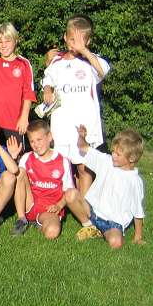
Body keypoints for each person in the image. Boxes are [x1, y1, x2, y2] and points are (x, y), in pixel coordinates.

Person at [41, 15, 110, 194]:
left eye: (81, 41)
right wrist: (47, 90)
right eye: (72, 40)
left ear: (88, 41)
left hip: (84, 126)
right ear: (65, 37)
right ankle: (66, 202)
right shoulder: (57, 61)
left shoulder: (92, 61)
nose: (75, 45)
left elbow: (102, 72)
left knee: (83, 168)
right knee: (63, 167)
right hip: (61, 125)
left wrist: (84, 50)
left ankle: (84, 205)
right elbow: (48, 79)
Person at [67, 126, 145, 249]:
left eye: (118, 154)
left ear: (132, 158)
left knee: (116, 242)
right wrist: (81, 137)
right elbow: (83, 147)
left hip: (112, 223)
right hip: (91, 211)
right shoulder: (106, 161)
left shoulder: (134, 181)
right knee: (70, 194)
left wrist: (138, 236)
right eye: (113, 151)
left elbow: (137, 210)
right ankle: (88, 225)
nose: (113, 155)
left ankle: (99, 231)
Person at [12, 119, 76, 239]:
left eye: (39, 140)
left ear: (49, 137)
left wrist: (59, 205)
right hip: (30, 204)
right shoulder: (27, 158)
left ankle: (40, 223)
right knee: (19, 172)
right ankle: (21, 219)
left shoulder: (62, 161)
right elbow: (17, 182)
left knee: (52, 232)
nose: (36, 144)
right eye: (32, 141)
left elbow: (68, 191)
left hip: (50, 208)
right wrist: (14, 158)